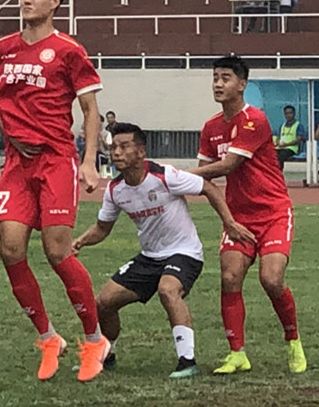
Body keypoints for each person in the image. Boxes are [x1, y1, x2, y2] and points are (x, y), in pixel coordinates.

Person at [0, 0, 107, 383]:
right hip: (17, 162)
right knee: (11, 249)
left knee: (57, 251)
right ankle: (49, 337)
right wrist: (11, 132)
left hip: (55, 161)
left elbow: (89, 111)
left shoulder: (68, 51)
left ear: (55, 3)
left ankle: (94, 338)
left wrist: (87, 161)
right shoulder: (2, 49)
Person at [72, 122, 251, 379]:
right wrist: (78, 242)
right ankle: (106, 353)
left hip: (184, 253)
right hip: (149, 257)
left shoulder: (165, 176)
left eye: (124, 147)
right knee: (103, 303)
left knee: (167, 289)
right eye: (114, 147)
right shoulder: (115, 190)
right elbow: (102, 228)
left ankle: (187, 361)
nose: (117, 153)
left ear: (141, 152)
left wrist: (230, 223)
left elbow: (208, 187)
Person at [191, 55, 304, 376]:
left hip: (273, 213)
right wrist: (227, 219)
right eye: (215, 77)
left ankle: (293, 340)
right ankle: (237, 353)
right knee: (229, 278)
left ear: (242, 85)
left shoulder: (255, 120)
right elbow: (205, 178)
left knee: (271, 279)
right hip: (238, 217)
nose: (217, 83)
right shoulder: (211, 127)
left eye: (225, 77)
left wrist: (176, 173)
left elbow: (226, 166)